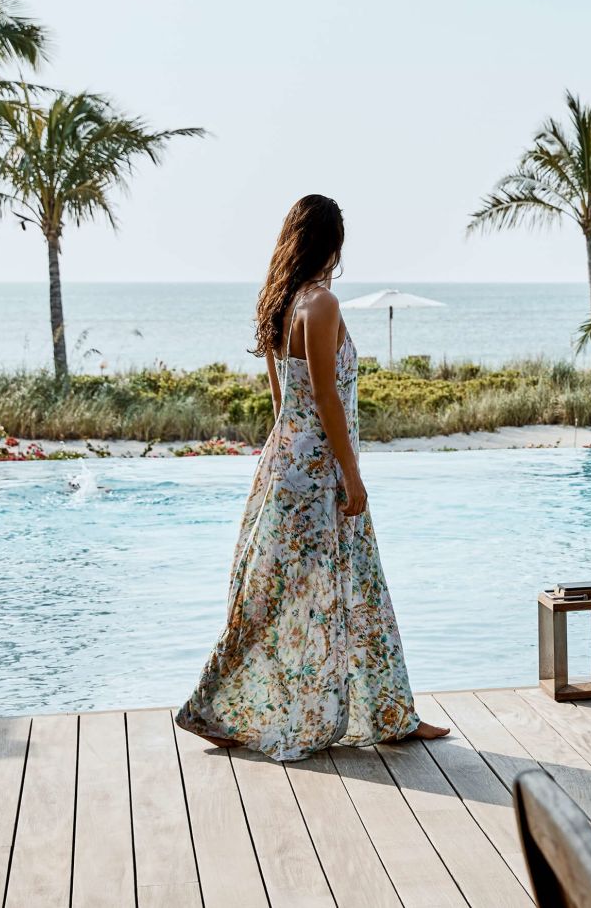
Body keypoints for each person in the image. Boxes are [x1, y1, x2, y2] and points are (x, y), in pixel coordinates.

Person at [177, 194, 448, 758]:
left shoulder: (279, 302)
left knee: (274, 594)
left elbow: (283, 402)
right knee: (357, 590)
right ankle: (389, 715)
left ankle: (227, 708)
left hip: (284, 465)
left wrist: (294, 463)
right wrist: (352, 476)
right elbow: (326, 398)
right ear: (332, 244)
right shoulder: (321, 304)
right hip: (319, 473)